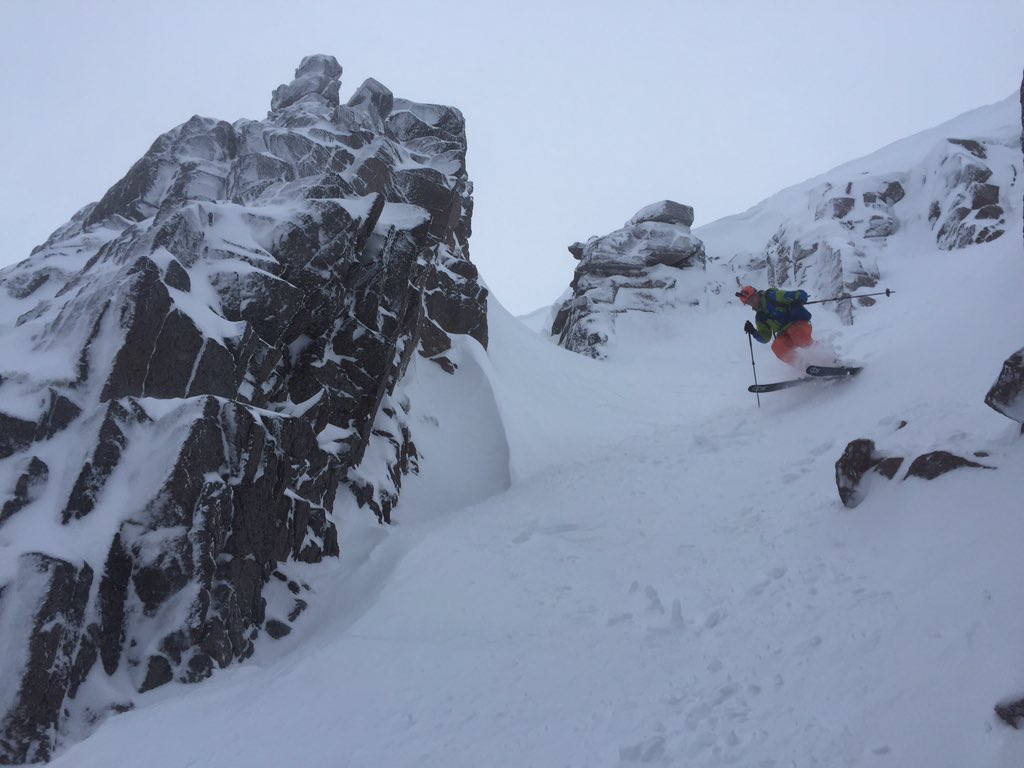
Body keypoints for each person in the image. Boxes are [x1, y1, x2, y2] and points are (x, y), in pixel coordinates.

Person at [736, 285, 815, 367]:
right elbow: (765, 338)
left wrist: (799, 301)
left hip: (799, 324)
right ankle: (805, 366)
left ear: (756, 294)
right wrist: (753, 331)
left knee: (796, 334)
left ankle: (821, 355)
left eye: (752, 300)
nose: (752, 303)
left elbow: (800, 293)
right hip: (785, 334)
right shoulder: (760, 317)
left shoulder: (773, 296)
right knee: (777, 347)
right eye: (749, 303)